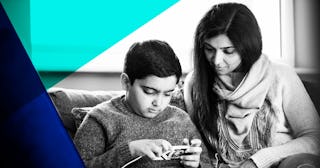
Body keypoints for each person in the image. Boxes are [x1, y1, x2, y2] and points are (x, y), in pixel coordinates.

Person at [182, 3, 320, 168]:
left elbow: (315, 138)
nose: (217, 61)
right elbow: (197, 143)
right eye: (209, 49)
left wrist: (258, 161)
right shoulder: (194, 82)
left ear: (247, 47)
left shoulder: (280, 75)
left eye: (228, 51)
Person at [73, 40, 212, 168]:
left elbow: (207, 164)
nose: (158, 103)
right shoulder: (100, 119)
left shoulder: (181, 119)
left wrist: (195, 164)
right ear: (126, 82)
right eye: (149, 92)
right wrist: (129, 151)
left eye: (168, 94)